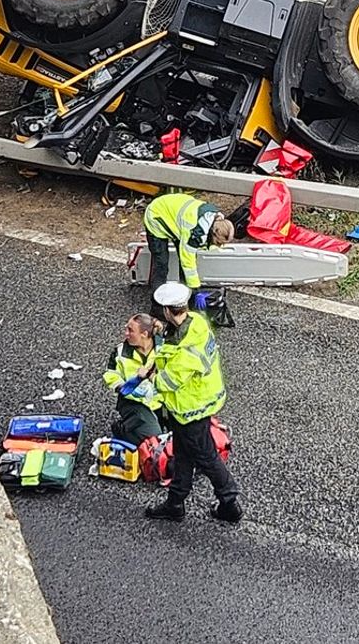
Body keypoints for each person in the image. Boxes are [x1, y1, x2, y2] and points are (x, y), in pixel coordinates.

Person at [133, 282, 241, 524]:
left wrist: (147, 375)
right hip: (192, 406)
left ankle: (229, 503)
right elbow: (176, 339)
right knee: (182, 454)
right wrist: (162, 330)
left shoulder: (184, 354)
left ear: (168, 311)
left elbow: (168, 382)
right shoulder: (196, 322)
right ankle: (175, 502)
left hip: (190, 409)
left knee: (206, 457)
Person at [140, 192, 235, 311]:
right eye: (219, 243)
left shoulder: (214, 220)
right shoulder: (193, 233)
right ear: (213, 233)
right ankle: (157, 306)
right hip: (156, 217)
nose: (220, 246)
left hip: (173, 215)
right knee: (161, 264)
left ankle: (183, 299)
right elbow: (188, 264)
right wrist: (196, 290)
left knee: (183, 264)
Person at [102, 313, 164, 444]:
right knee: (155, 440)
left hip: (161, 400)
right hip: (134, 402)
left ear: (145, 334)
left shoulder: (164, 349)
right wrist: (121, 387)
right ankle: (123, 430)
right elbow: (111, 374)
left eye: (130, 330)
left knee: (180, 436)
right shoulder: (120, 352)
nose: (126, 333)